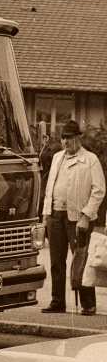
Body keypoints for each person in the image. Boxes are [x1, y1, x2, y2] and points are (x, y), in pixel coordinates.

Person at [41, 119, 105, 315]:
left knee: (81, 261)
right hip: (55, 215)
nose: (66, 142)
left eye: (69, 138)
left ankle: (88, 304)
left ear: (79, 138)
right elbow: (49, 189)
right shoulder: (57, 158)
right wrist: (45, 216)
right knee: (56, 262)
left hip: (78, 217)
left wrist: (86, 216)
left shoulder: (90, 159)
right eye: (63, 138)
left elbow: (99, 190)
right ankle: (57, 301)